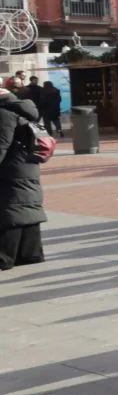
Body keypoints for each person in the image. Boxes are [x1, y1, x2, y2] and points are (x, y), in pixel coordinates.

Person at [0, 81, 47, 271]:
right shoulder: (23, 109)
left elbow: (1, 144)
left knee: (10, 210)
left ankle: (4, 257)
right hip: (27, 164)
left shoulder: (3, 113)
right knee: (27, 207)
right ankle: (31, 254)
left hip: (12, 167)